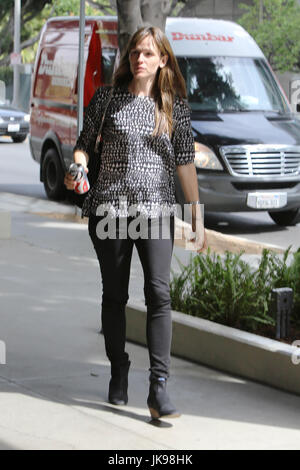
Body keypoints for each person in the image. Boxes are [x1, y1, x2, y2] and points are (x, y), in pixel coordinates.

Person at [64, 25, 208, 420]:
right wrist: (78, 169)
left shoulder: (174, 107)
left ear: (163, 59)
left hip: (157, 210)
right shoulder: (107, 99)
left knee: (159, 293)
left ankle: (158, 388)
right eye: (133, 53)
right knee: (115, 296)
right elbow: (83, 146)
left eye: (147, 53)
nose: (138, 59)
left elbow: (184, 162)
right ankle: (118, 367)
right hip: (110, 209)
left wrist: (196, 214)